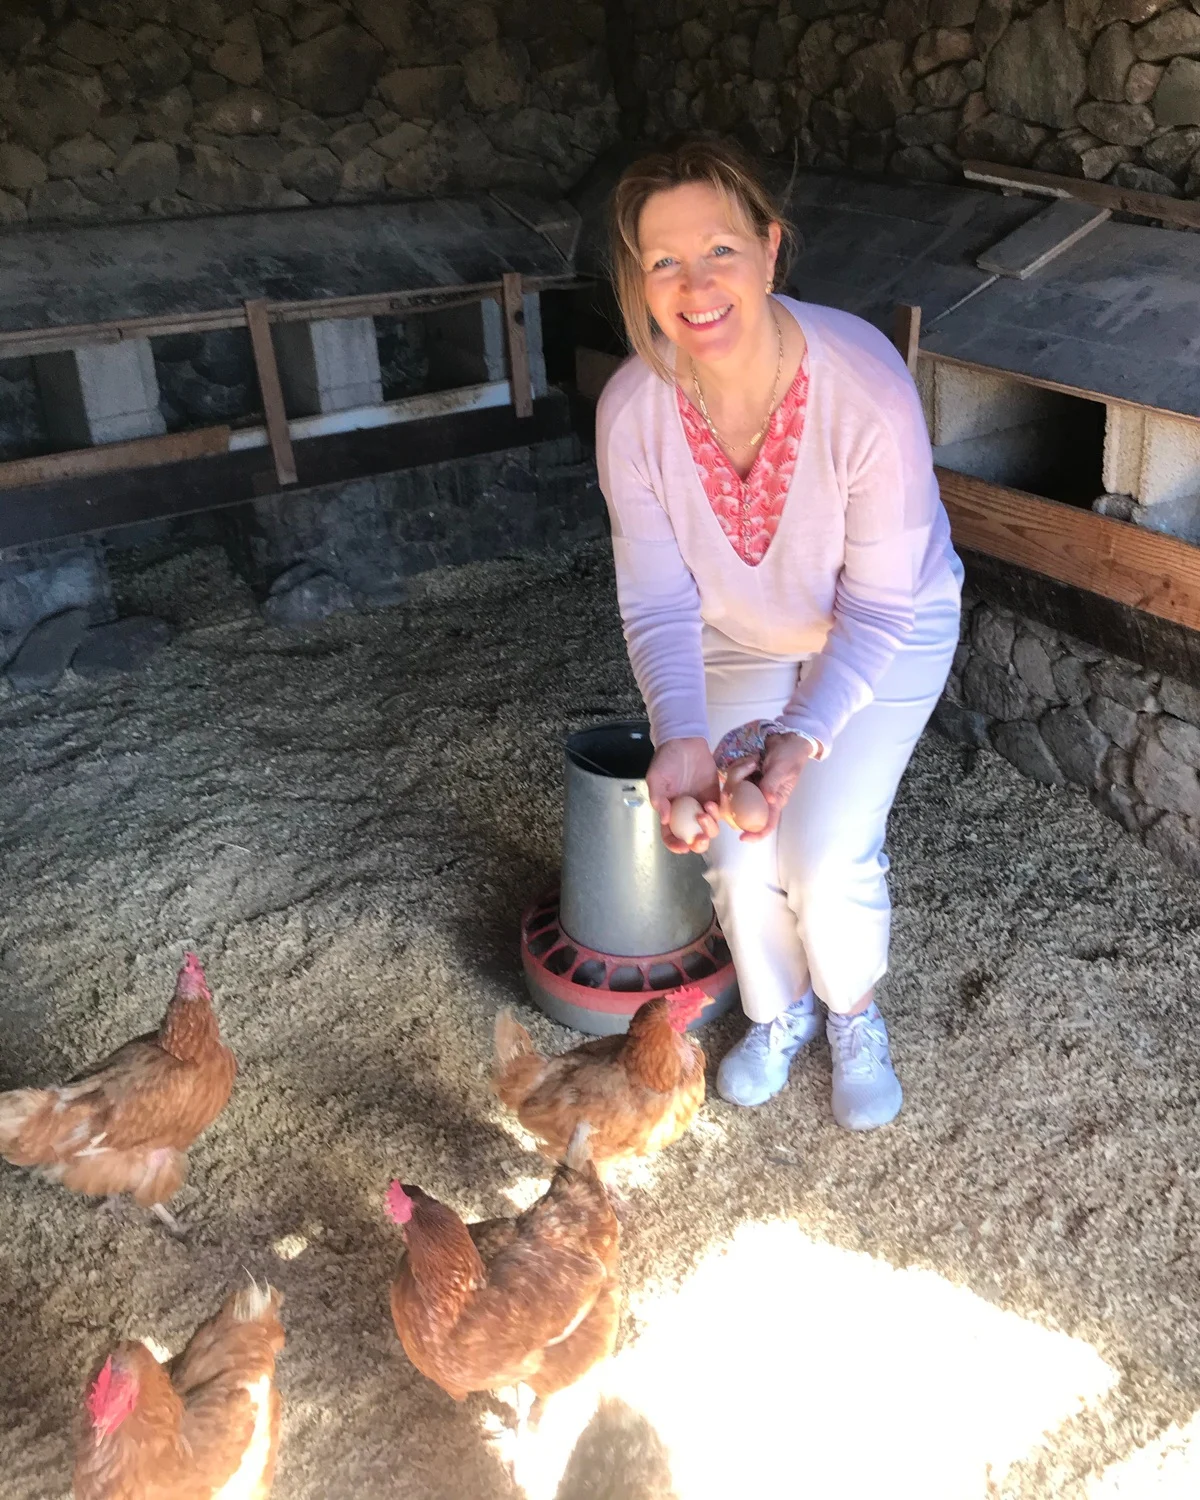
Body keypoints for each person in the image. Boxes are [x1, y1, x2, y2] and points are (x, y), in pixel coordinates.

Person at [594, 138, 963, 1130]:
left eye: (719, 249)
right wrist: (680, 733)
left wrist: (803, 734)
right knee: (734, 848)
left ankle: (852, 1011)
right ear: (639, 280)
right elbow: (658, 602)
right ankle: (779, 1009)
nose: (695, 285)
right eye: (664, 261)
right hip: (741, 635)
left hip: (888, 626)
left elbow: (879, 607)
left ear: (769, 248)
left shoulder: (863, 385)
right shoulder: (633, 413)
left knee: (827, 851)